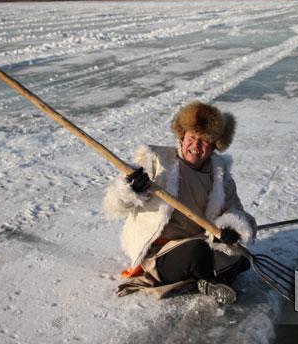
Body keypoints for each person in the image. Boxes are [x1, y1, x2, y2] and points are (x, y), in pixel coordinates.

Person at [102, 101, 257, 304]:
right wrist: (130, 189)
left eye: (204, 141)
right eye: (192, 137)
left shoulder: (220, 176)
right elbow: (117, 204)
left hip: (199, 241)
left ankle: (209, 282)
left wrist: (230, 228)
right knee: (198, 253)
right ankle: (216, 277)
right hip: (161, 253)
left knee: (243, 257)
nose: (196, 146)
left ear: (213, 147)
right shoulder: (157, 160)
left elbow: (237, 211)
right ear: (182, 136)